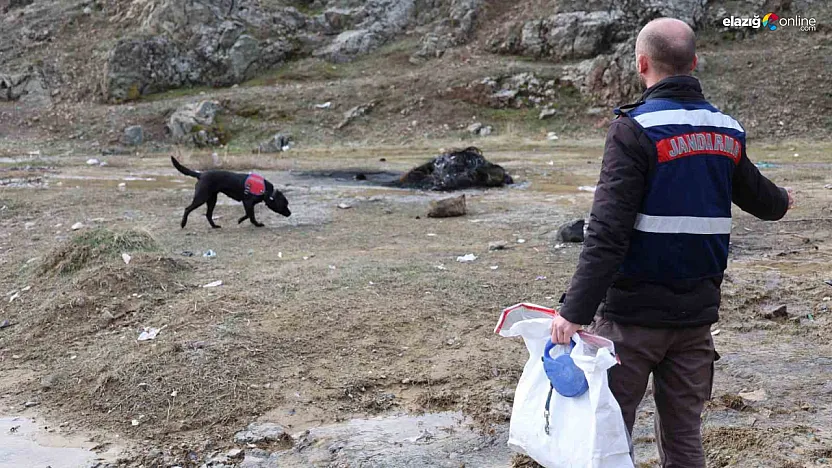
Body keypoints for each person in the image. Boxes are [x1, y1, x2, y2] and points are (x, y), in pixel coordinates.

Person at [549, 17, 793, 468]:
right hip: (696, 322)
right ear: (694, 63)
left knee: (607, 437)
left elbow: (606, 232)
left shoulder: (633, 129)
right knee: (684, 443)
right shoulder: (726, 131)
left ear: (641, 64)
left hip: (631, 322)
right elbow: (764, 200)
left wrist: (573, 312)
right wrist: (784, 199)